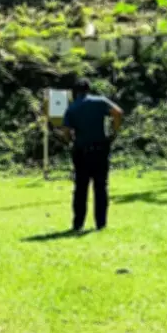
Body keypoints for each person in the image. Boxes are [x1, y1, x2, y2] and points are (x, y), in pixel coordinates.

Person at [61, 78, 124, 232]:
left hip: (81, 151)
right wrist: (113, 132)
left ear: (74, 92)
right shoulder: (100, 102)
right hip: (100, 148)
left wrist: (70, 141)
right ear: (89, 89)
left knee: (81, 188)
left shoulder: (72, 108)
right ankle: (101, 223)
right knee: (101, 186)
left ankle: (78, 224)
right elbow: (118, 112)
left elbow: (66, 132)